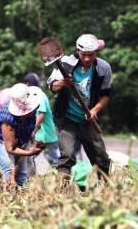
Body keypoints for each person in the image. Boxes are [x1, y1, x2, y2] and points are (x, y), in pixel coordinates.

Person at [47, 33, 111, 180]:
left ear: (96, 53)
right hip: (66, 119)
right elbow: (52, 86)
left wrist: (94, 110)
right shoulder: (65, 64)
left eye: (91, 55)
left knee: (101, 158)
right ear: (77, 51)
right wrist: (63, 82)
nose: (87, 59)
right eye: (84, 55)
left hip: (87, 119)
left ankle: (106, 189)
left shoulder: (103, 68)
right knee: (67, 156)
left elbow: (105, 94)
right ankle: (63, 192)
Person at [0, 83, 44, 187]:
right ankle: (5, 195)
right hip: (0, 138)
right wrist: (30, 152)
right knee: (7, 171)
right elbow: (9, 148)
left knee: (22, 174)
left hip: (21, 136)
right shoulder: (8, 119)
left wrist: (31, 135)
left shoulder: (33, 106)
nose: (30, 112)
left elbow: (30, 127)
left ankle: (19, 195)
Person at [24, 73, 60, 167]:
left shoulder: (39, 95)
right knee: (30, 158)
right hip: (43, 135)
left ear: (29, 83)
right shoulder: (38, 94)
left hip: (45, 135)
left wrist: (33, 131)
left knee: (55, 161)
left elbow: (41, 114)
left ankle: (64, 179)